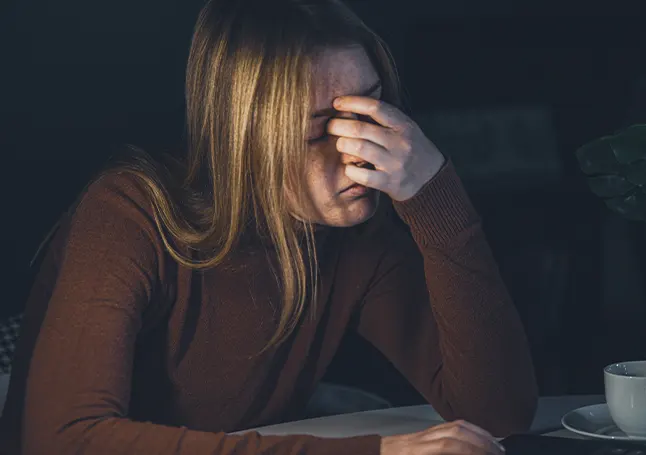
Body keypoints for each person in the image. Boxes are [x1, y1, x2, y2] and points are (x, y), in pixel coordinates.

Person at [0, 0, 538, 453]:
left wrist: (434, 194)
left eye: (369, 114)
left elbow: (497, 416)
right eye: (316, 133)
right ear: (242, 138)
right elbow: (63, 440)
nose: (361, 157)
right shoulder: (131, 212)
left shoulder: (357, 236)